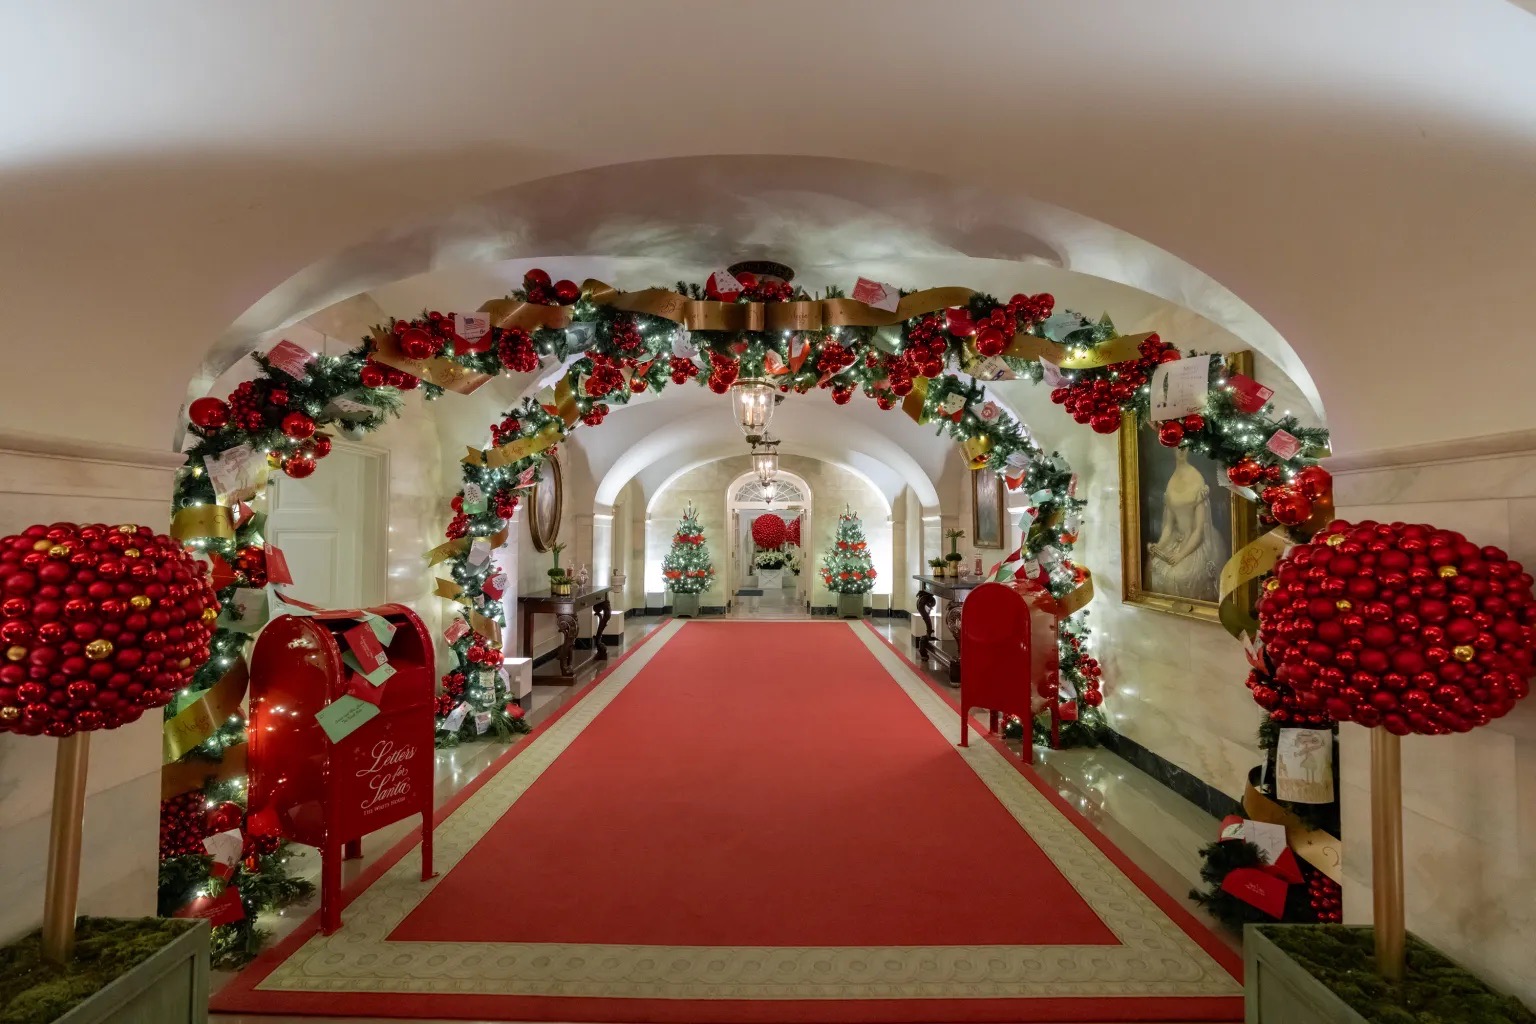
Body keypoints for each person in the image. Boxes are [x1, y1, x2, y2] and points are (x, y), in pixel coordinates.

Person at [1147, 448, 1221, 600]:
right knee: (1153, 566)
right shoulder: (1172, 481)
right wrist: (1159, 546)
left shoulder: (1197, 480)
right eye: (1177, 446)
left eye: (1184, 446)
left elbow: (1199, 531)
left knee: (1179, 576)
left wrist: (1180, 555)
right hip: (1177, 540)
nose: (1180, 450)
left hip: (1196, 542)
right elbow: (1168, 526)